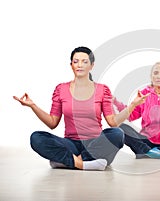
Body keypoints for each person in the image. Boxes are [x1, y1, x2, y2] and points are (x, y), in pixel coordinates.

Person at [13, 46, 147, 171]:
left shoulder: (102, 90)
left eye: (84, 61)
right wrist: (33, 106)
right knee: (36, 137)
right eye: (76, 61)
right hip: (71, 144)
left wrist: (133, 105)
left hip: (96, 143)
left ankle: (66, 161)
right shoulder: (61, 89)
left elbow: (113, 122)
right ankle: (85, 163)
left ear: (91, 65)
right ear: (71, 65)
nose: (80, 65)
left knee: (117, 134)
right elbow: (52, 123)